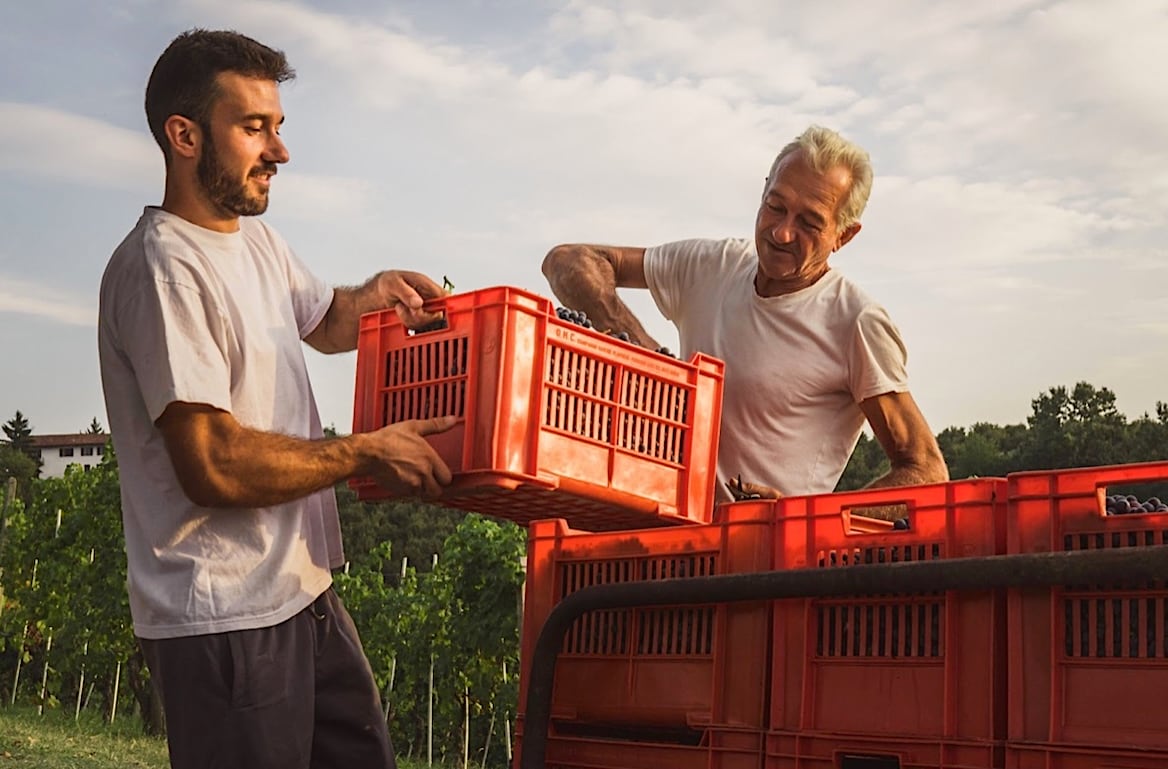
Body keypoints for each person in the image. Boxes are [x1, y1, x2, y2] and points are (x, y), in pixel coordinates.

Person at [97, 29, 454, 769]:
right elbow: (214, 465)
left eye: (278, 126)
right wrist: (365, 448)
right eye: (254, 128)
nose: (279, 151)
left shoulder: (255, 242)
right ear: (184, 135)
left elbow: (323, 319)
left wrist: (376, 296)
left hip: (302, 592)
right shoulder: (163, 272)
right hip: (222, 617)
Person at [542, 125, 948, 504]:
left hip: (759, 567)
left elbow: (926, 471)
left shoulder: (855, 321)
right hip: (664, 525)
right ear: (764, 191)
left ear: (843, 235)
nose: (782, 232)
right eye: (776, 206)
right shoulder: (710, 266)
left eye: (809, 223)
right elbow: (568, 260)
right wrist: (636, 345)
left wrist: (799, 519)